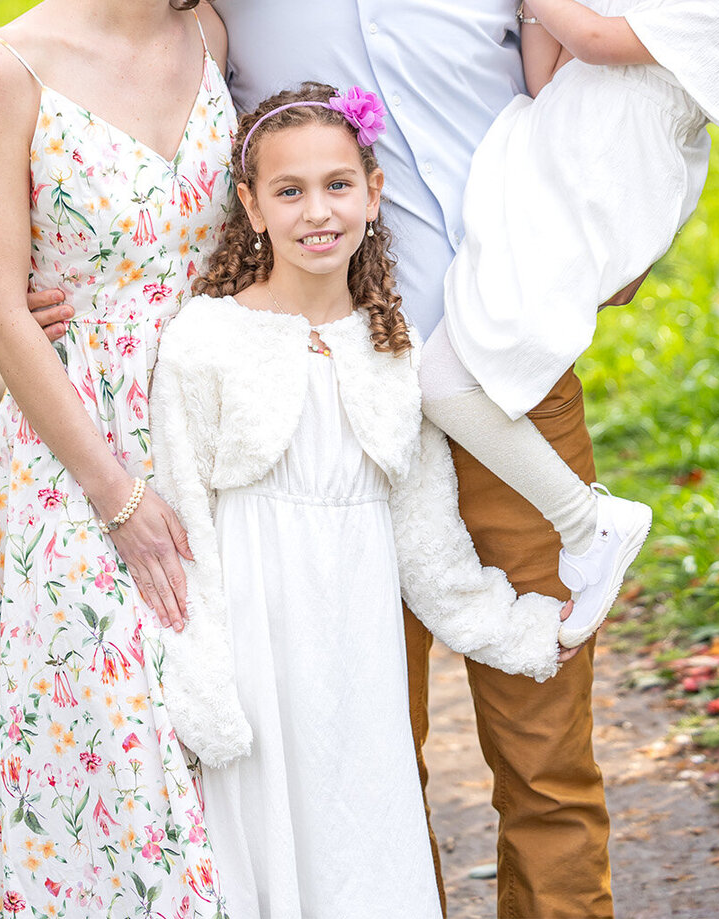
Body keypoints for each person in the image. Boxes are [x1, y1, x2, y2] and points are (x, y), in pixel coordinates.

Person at [28, 0, 631, 916]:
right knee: (358, 747)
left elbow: (599, 116)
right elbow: (158, 127)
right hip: (324, 403)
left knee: (548, 750)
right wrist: (74, 270)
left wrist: (617, 253)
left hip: (506, 372)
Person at [0, 0, 271, 919]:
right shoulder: (6, 66)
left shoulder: (213, 40)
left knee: (218, 773)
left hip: (213, 438)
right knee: (108, 772)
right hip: (80, 464)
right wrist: (115, 495)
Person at [148, 85, 574, 919]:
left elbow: (429, 542)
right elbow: (182, 516)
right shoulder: (206, 339)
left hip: (357, 651)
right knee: (264, 850)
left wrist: (517, 629)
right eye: (290, 190)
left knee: (360, 842)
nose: (318, 211)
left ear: (374, 194)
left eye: (339, 185)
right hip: (256, 647)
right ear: (251, 205)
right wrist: (201, 679)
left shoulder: (390, 350)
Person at [420, 0, 719, 649]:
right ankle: (578, 530)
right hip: (535, 189)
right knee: (446, 376)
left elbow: (592, 42)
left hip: (591, 214)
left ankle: (590, 525)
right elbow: (548, 71)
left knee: (447, 380)